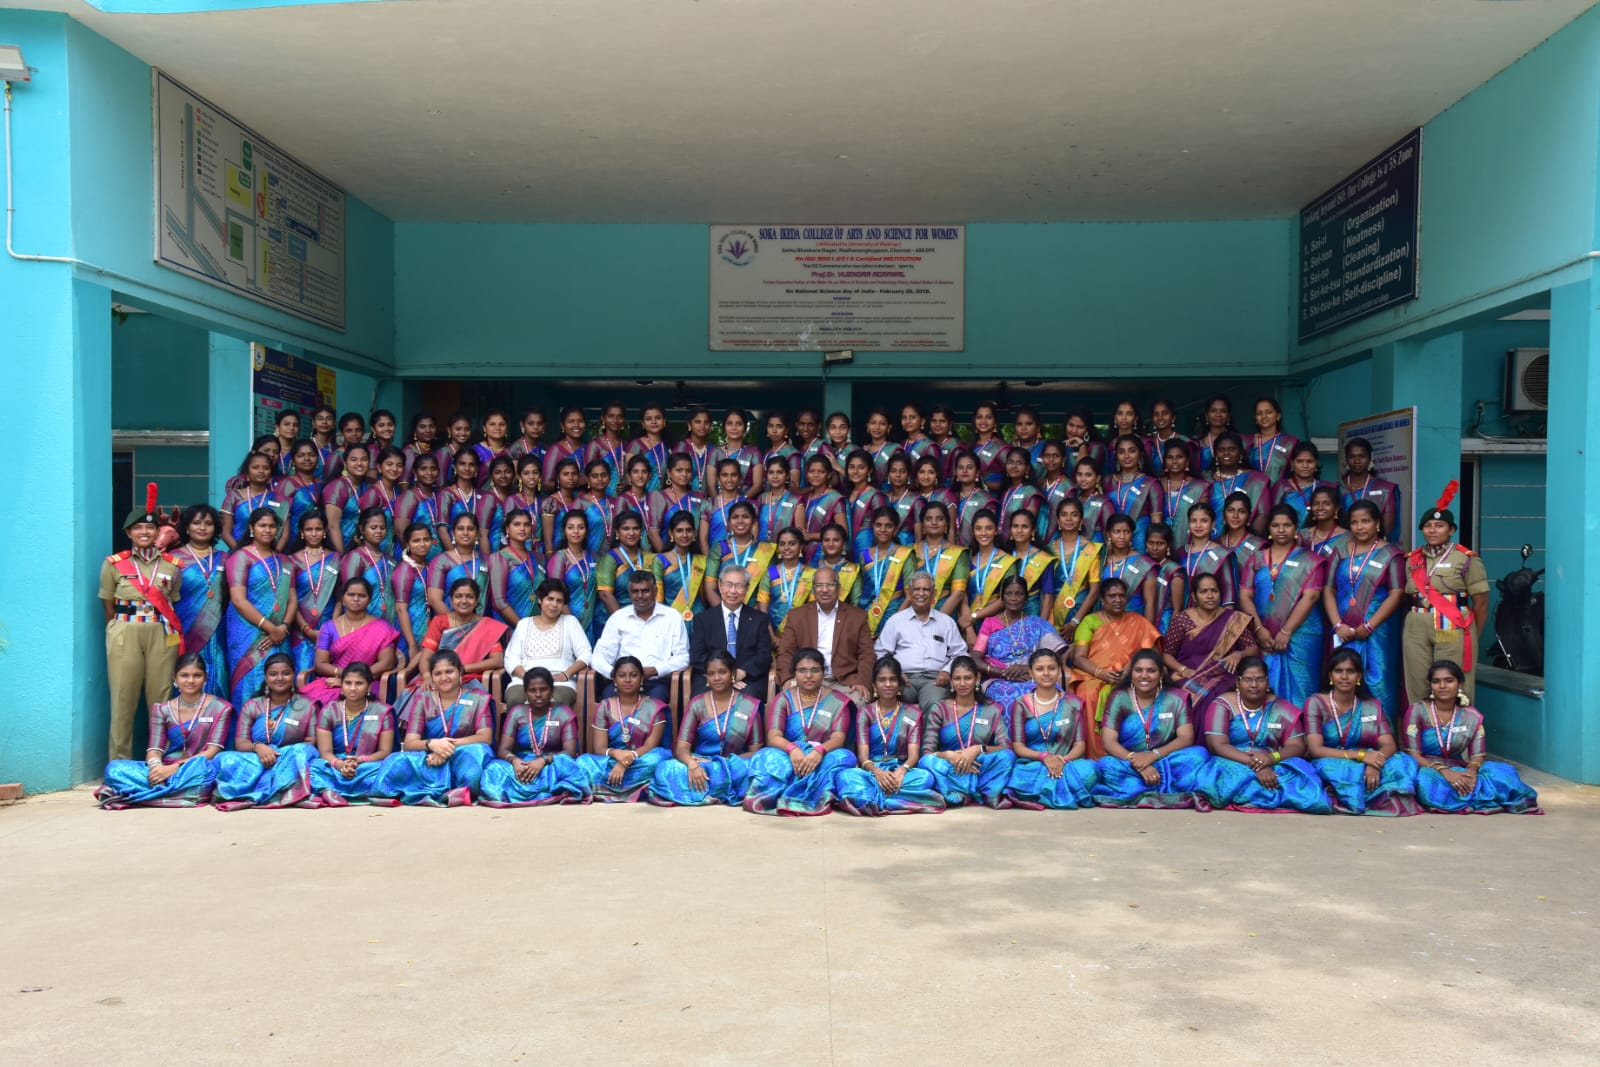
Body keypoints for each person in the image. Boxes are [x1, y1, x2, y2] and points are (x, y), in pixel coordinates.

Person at [101, 485, 184, 762]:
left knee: (160, 700)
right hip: (125, 630)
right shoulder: (114, 564)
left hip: (161, 632)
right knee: (122, 699)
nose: (144, 532)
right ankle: (120, 763)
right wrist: (117, 630)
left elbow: (172, 600)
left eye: (149, 528)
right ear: (128, 533)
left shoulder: (173, 565)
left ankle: (159, 761)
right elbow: (107, 604)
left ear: (157, 532)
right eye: (137, 528)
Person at [1192, 656, 1330, 813]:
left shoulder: (1282, 708)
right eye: (1247, 680)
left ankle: (1255, 795)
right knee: (1212, 770)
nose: (1254, 685)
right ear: (1237, 682)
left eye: (1260, 679)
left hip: (1272, 761)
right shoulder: (1223, 704)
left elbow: (1297, 746)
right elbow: (1217, 745)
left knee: (1302, 773)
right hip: (1232, 759)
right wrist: (1255, 764)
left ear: (1268, 682)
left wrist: (1272, 758)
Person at [1401, 660, 1541, 814]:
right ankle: (1478, 797)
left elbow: (1477, 755)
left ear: (1460, 684)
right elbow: (1412, 754)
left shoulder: (1472, 716)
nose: (1442, 686)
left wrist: (1471, 772)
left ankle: (1465, 794)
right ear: (1431, 686)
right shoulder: (1417, 711)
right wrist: (1444, 771)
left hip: (1459, 769)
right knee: (1424, 781)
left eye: (1449, 681)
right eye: (1436, 681)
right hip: (1427, 768)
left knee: (1502, 772)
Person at [96, 653, 230, 809]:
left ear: (205, 677)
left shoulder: (221, 708)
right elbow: (154, 749)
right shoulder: (162, 709)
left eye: (197, 675)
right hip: (165, 769)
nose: (190, 681)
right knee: (114, 768)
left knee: (206, 774)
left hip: (195, 769)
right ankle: (173, 793)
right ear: (174, 678)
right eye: (184, 675)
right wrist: (157, 769)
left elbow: (212, 751)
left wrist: (173, 769)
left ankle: (145, 793)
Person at [1303, 648, 1420, 816]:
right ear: (1330, 675)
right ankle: (1368, 797)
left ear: (1359, 676)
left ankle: (1368, 795)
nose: (1344, 676)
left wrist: (1374, 763)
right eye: (1338, 671)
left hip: (1370, 759)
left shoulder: (1372, 705)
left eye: (1350, 671)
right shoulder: (1315, 703)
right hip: (1333, 761)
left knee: (1404, 762)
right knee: (1333, 769)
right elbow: (1316, 750)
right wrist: (1362, 756)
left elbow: (1389, 744)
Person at [1403, 483, 1489, 705]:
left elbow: (1481, 602)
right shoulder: (1412, 560)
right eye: (1428, 526)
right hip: (1416, 626)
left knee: (1452, 681)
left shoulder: (1466, 558)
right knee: (1417, 681)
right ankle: (1421, 724)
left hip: (1451, 626)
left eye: (1439, 526)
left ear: (1451, 530)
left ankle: (1458, 724)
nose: (1432, 530)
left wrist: (1473, 635)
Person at [743, 648, 857, 815]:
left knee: (845, 757)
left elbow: (838, 738)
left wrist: (819, 751)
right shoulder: (783, 699)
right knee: (765, 756)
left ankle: (803, 794)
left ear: (823, 672)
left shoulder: (838, 701)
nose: (808, 676)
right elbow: (774, 737)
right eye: (802, 670)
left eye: (815, 670)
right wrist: (792, 749)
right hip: (790, 757)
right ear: (794, 673)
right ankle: (799, 794)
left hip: (822, 757)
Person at [375, 649, 495, 806]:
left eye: (449, 672)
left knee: (478, 752)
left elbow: (485, 737)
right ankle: (451, 790)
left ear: (460, 672)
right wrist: (432, 744)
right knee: (394, 760)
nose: (444, 678)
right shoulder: (422, 700)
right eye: (438, 673)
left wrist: (445, 747)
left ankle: (437, 788)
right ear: (431, 677)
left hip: (462, 754)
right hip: (430, 757)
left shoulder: (478, 698)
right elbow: (410, 743)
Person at [1092, 650, 1208, 808]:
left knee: (1199, 754)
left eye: (1151, 671)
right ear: (1131, 673)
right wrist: (1138, 763)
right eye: (1138, 670)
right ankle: (1167, 789)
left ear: (1161, 674)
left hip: (1165, 758)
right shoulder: (1119, 697)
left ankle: (1139, 790)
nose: (1144, 675)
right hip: (1129, 761)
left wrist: (1153, 755)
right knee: (1106, 765)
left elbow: (1186, 737)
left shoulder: (1176, 697)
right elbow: (1108, 741)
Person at [1322, 500, 1405, 717]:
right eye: (1355, 522)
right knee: (1342, 680)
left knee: (1379, 682)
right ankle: (1344, 730)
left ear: (1377, 523)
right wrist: (1337, 625)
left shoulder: (1391, 554)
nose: (1360, 527)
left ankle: (1383, 732)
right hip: (1342, 631)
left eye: (1366, 521)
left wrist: (1369, 626)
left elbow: (1396, 593)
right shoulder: (1340, 551)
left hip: (1378, 631)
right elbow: (1328, 589)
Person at [648, 651, 764, 806]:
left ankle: (704, 791)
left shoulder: (749, 704)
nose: (717, 678)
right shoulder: (697, 703)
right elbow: (681, 747)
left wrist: (723, 762)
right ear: (706, 678)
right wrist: (692, 764)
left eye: (722, 672)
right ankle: (719, 789)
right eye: (711, 674)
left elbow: (756, 752)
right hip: (702, 765)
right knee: (665, 768)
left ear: (733, 674)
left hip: (733, 765)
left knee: (756, 769)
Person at [834, 656, 944, 816]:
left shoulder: (913, 713)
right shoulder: (865, 713)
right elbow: (863, 757)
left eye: (892, 679)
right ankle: (900, 800)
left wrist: (902, 771)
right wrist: (877, 773)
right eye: (882, 680)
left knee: (925, 777)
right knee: (845, 776)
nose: (887, 684)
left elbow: (913, 756)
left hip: (900, 771)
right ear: (874, 684)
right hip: (872, 771)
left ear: (899, 683)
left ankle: (870, 799)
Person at [1238, 505, 1326, 706]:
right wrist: (1259, 630)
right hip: (1264, 634)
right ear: (1269, 528)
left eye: (1287, 525)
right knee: (1266, 686)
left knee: (1302, 687)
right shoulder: (1256, 558)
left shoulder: (1310, 560)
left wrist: (1286, 632)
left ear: (1296, 528)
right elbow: (1245, 595)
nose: (1281, 530)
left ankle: (1301, 725)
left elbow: (1311, 597)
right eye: (1276, 525)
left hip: (1302, 634)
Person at [1068, 578, 1162, 758]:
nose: (1118, 600)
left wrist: (1130, 669)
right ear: (1102, 600)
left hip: (1132, 674)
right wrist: (1101, 673)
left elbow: (1151, 652)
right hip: (1094, 674)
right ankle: (1095, 754)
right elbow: (1079, 658)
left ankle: (1135, 751)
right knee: (1088, 692)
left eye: (1121, 596)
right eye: (1112, 596)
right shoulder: (1089, 621)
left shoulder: (1137, 621)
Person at [214, 652, 318, 810]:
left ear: (293, 675)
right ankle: (280, 788)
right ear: (266, 677)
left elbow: (310, 743)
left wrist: (281, 754)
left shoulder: (308, 705)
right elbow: (241, 743)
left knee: (303, 752)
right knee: (223, 759)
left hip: (290, 759)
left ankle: (267, 788)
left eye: (286, 673)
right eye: (273, 674)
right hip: (258, 759)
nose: (280, 678)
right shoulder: (253, 705)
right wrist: (259, 748)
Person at [479, 667, 590, 806]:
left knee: (570, 766)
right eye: (532, 690)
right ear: (525, 692)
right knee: (493, 768)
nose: (538, 694)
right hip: (522, 765)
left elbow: (570, 752)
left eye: (543, 689)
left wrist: (543, 761)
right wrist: (515, 761)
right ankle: (538, 791)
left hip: (550, 765)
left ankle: (525, 792)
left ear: (552, 690)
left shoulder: (564, 713)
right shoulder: (517, 712)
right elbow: (503, 750)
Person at [1005, 648, 1098, 809]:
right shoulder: (1021, 703)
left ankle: (1043, 792)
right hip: (1034, 763)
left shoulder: (1073, 702)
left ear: (1059, 670)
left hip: (1066, 763)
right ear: (1031, 673)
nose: (1046, 673)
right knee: (1018, 774)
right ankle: (1064, 792)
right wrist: (1044, 757)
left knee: (1090, 770)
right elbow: (1018, 747)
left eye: (1052, 668)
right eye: (1040, 669)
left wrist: (1062, 761)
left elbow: (1080, 745)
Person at [225, 506, 297, 712]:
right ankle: (246, 728)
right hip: (248, 632)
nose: (267, 530)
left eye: (272, 526)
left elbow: (292, 599)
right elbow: (238, 600)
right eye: (262, 525)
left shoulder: (285, 560)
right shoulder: (240, 557)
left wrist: (283, 627)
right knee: (248, 681)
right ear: (251, 528)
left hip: (280, 634)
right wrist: (270, 628)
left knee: (280, 680)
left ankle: (277, 727)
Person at [920, 655, 1016, 808]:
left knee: (1007, 757)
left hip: (979, 766)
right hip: (950, 766)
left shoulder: (991, 709)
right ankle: (960, 793)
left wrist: (978, 749)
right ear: (951, 681)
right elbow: (927, 752)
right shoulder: (940, 709)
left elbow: (1005, 746)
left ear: (977, 678)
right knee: (927, 762)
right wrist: (948, 755)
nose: (962, 683)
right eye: (957, 679)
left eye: (968, 678)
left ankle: (966, 791)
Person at [576, 656, 671, 802]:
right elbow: (599, 747)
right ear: (614, 679)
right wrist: (617, 755)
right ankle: (640, 788)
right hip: (612, 760)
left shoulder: (655, 706)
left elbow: (650, 745)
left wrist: (625, 762)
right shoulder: (605, 706)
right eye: (622, 675)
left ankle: (604, 788)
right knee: (583, 762)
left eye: (633, 675)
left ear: (642, 679)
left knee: (659, 760)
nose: (627, 680)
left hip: (641, 759)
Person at [774, 567, 874, 703]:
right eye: (819, 585)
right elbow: (785, 651)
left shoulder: (857, 617)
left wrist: (862, 681)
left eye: (830, 585)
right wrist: (787, 678)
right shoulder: (797, 616)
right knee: (789, 701)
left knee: (859, 700)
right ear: (813, 589)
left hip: (844, 682)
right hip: (805, 679)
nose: (825, 590)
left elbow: (867, 654)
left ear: (839, 588)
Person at [1162, 571, 1259, 709]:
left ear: (1220, 594)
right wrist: (1183, 669)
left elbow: (1252, 648)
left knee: (1222, 697)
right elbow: (1166, 654)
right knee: (1183, 695)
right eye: (1203, 592)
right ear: (1194, 596)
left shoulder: (1233, 619)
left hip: (1222, 677)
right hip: (1190, 675)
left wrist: (1239, 654)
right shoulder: (1183, 619)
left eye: (1214, 591)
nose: (1210, 596)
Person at [590, 570, 690, 702]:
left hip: (655, 681)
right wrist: (616, 673)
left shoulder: (672, 617)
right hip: (622, 682)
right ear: (629, 593)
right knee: (609, 700)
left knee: (654, 702)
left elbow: (682, 657)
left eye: (645, 591)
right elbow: (598, 657)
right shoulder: (618, 618)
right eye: (635, 591)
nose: (640, 596)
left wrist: (655, 670)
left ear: (655, 591)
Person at [307, 663, 398, 806]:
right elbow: (325, 752)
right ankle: (361, 792)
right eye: (348, 683)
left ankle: (330, 791)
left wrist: (361, 760)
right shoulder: (329, 710)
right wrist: (340, 765)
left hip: (367, 765)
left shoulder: (382, 712)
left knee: (391, 768)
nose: (353, 688)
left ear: (369, 686)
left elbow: (385, 751)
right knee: (312, 768)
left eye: (359, 683)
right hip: (335, 765)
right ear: (341, 685)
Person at [299, 577, 400, 705]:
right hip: (333, 680)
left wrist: (353, 680)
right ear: (343, 598)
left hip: (366, 682)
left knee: (342, 698)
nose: (356, 599)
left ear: (369, 600)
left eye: (362, 595)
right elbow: (320, 664)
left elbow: (386, 663)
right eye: (351, 594)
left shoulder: (382, 628)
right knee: (304, 703)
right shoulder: (328, 627)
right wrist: (345, 677)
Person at [974, 575, 1067, 713]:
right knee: (1009, 697)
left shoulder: (1037, 623)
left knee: (1050, 694)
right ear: (1002, 597)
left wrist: (1026, 669)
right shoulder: (989, 623)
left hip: (1031, 677)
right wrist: (1003, 673)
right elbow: (975, 658)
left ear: (1026, 598)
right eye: (1009, 594)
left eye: (1019, 594)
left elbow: (1054, 656)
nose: (1013, 598)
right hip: (998, 680)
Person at [874, 572, 969, 706]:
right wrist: (894, 672)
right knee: (894, 700)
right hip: (902, 678)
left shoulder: (946, 622)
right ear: (909, 592)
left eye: (926, 589)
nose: (921, 593)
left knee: (934, 703)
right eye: (917, 589)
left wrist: (947, 671)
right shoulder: (896, 621)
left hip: (935, 680)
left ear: (934, 593)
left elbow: (960, 653)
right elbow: (881, 652)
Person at [504, 579, 592, 708]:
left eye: (559, 601)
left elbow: (586, 654)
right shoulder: (524, 624)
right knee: (515, 698)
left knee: (558, 700)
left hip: (559, 683)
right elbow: (511, 659)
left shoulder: (570, 622)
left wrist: (566, 674)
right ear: (540, 599)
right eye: (550, 599)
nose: (554, 604)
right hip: (524, 681)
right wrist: (526, 676)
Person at [172, 504, 229, 699]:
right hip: (185, 627)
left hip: (218, 629)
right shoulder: (173, 559)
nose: (202, 528)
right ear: (187, 527)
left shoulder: (225, 558)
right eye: (196, 523)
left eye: (208, 524)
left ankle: (218, 717)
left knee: (219, 673)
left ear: (215, 528)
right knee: (186, 671)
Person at [412, 578, 507, 693]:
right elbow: (426, 658)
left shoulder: (487, 626)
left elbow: (497, 661)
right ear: (451, 600)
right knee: (419, 695)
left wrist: (462, 669)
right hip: (440, 678)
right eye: (458, 596)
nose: (464, 601)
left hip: (471, 679)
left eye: (469, 596)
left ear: (477, 600)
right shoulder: (440, 622)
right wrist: (427, 677)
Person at [689, 566, 773, 694]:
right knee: (702, 697)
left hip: (747, 678)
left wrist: (742, 672)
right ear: (719, 585)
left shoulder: (759, 619)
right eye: (728, 585)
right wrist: (724, 675)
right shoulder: (703, 619)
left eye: (739, 586)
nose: (733, 591)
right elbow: (697, 655)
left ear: (747, 588)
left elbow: (764, 655)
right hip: (712, 677)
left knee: (747, 699)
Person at [288, 512, 340, 677]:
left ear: (324, 531)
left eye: (318, 529)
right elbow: (289, 599)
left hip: (330, 627)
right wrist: (306, 629)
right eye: (309, 529)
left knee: (329, 674)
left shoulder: (335, 558)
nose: (314, 533)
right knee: (302, 671)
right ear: (302, 532)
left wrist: (332, 627)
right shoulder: (291, 560)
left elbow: (340, 597)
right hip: (300, 629)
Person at [960, 510, 1017, 641]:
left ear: (996, 530)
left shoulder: (1007, 561)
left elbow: (1006, 599)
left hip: (997, 625)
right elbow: (962, 596)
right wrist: (969, 628)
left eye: (989, 528)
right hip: (969, 625)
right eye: (978, 529)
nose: (983, 533)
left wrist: (974, 616)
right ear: (973, 531)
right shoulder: (967, 559)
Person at [654, 511, 716, 624]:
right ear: (671, 533)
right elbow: (658, 597)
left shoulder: (702, 561)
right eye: (679, 530)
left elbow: (707, 593)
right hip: (671, 620)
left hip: (699, 619)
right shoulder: (660, 560)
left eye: (689, 530)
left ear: (694, 533)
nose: (684, 535)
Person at [1050, 497, 1101, 633]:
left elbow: (1094, 591)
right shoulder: (1050, 550)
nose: (1069, 519)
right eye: (1064, 515)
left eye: (1074, 515)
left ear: (1081, 521)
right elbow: (1046, 592)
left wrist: (1075, 622)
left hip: (1082, 616)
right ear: (1058, 520)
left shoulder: (1090, 549)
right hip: (1053, 617)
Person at [859, 507, 912, 636]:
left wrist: (896, 622)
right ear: (873, 527)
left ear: (895, 529)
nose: (883, 529)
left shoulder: (905, 554)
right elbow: (861, 590)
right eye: (878, 525)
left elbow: (910, 595)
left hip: (895, 614)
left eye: (888, 526)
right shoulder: (864, 555)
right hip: (867, 614)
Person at [1105, 433, 1163, 551]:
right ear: (1116, 456)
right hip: (1112, 541)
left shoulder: (1151, 484)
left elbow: (1156, 523)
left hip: (1140, 540)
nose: (1126, 456)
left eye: (1132, 451)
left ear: (1140, 454)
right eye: (1121, 452)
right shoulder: (1107, 481)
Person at [550, 509, 601, 641]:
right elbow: (555, 594)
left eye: (580, 527)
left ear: (587, 531)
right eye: (571, 527)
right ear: (564, 531)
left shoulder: (594, 557)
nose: (576, 531)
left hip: (592, 621)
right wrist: (573, 625)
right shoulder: (560, 558)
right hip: (567, 623)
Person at [911, 502, 969, 617]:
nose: (934, 522)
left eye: (940, 519)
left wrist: (938, 621)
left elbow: (958, 593)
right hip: (912, 614)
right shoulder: (910, 551)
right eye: (929, 519)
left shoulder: (958, 553)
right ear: (922, 525)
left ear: (947, 525)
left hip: (945, 614)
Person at [487, 508, 543, 626]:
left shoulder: (539, 558)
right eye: (517, 524)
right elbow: (499, 602)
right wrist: (522, 628)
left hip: (539, 625)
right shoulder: (499, 558)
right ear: (507, 529)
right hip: (511, 627)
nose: (522, 528)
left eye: (526, 524)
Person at [391, 523, 435, 673]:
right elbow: (400, 609)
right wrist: (411, 644)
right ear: (407, 544)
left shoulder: (428, 566)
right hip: (408, 629)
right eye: (416, 541)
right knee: (405, 670)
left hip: (426, 626)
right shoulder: (404, 569)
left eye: (426, 539)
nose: (422, 544)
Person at [1340, 437, 1401, 543]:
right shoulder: (1337, 488)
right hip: (1344, 546)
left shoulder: (1385, 489)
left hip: (1375, 546)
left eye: (1362, 456)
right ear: (1346, 459)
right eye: (1352, 457)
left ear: (1370, 458)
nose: (1357, 461)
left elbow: (1387, 526)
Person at [1208, 432, 1269, 535]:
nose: (1226, 453)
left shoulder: (1256, 480)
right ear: (1215, 454)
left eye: (1232, 449)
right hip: (1212, 540)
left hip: (1245, 539)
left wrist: (1247, 540)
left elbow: (1263, 514)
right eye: (1221, 450)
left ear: (1240, 453)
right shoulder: (1206, 479)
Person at [757, 527, 815, 634]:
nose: (786, 547)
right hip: (771, 633)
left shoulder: (811, 573)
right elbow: (763, 608)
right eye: (782, 544)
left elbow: (813, 610)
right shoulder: (772, 572)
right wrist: (772, 638)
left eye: (792, 544)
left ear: (801, 546)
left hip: (800, 633)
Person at [1100, 514, 1157, 623]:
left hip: (1133, 622)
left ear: (1132, 534)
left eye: (1126, 532)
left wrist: (1148, 630)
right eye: (1117, 532)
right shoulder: (1102, 559)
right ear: (1108, 534)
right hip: (1105, 620)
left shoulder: (1143, 563)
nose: (1122, 536)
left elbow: (1150, 603)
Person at [1179, 501, 1237, 607]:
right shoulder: (1181, 552)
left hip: (1212, 612)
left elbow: (1229, 594)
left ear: (1213, 524)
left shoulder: (1222, 554)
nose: (1198, 525)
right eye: (1193, 521)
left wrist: (1227, 616)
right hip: (1183, 612)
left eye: (1204, 521)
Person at [220, 451, 279, 550]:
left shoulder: (278, 499)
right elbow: (225, 532)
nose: (261, 471)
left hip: (269, 555)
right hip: (238, 553)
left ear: (271, 474)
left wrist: (272, 554)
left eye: (266, 468)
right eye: (256, 467)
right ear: (247, 473)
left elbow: (283, 534)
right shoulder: (234, 496)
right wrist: (243, 554)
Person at [273, 440, 324, 551]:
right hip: (292, 542)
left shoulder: (323, 484)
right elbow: (279, 519)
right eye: (301, 455)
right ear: (293, 460)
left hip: (319, 540)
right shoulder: (286, 485)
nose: (307, 459)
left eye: (311, 455)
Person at [1271, 442, 1331, 527]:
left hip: (1319, 534)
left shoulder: (1326, 487)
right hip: (1287, 534)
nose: (1305, 466)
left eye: (1310, 461)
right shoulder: (1281, 486)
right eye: (1300, 461)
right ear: (1292, 463)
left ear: (1316, 463)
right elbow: (1273, 517)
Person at [1244, 397, 1299, 483]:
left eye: (1269, 412)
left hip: (1281, 490)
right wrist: (1254, 449)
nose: (1264, 416)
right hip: (1254, 490)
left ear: (1278, 416)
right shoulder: (1248, 442)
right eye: (1259, 413)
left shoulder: (1290, 442)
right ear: (1256, 419)